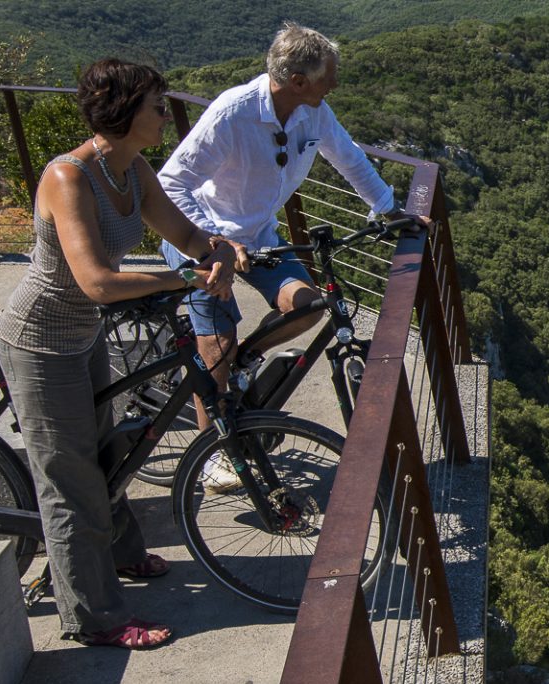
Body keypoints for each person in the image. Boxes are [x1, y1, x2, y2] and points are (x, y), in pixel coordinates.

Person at [0, 58, 246, 650]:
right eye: (157, 105)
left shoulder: (134, 171)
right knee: (70, 482)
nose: (165, 114)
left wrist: (217, 251)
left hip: (82, 336)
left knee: (108, 456)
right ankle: (95, 616)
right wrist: (181, 281)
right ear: (126, 112)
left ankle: (126, 556)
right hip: (37, 341)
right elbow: (97, 282)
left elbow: (184, 236)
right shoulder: (68, 178)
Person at [158, 22, 414, 448]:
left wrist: (390, 210)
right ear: (298, 81)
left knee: (309, 307)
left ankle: (245, 360)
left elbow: (349, 159)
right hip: (201, 237)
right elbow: (170, 184)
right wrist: (215, 241)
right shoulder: (232, 113)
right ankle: (213, 453)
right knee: (216, 349)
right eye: (328, 75)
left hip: (259, 235)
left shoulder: (312, 111)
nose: (334, 83)